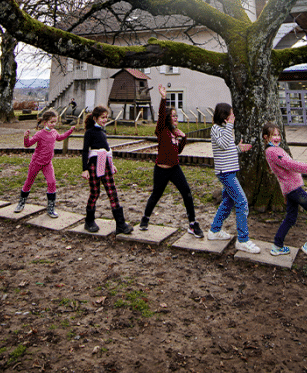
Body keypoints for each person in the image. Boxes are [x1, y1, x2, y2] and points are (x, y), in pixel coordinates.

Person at [139, 85, 203, 238]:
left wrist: (183, 138)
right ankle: (145, 218)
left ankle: (192, 224)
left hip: (175, 168)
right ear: (168, 118)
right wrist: (163, 98)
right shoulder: (162, 130)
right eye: (173, 116)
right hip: (161, 169)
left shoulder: (175, 133)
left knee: (186, 193)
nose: (176, 118)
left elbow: (177, 152)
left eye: (176, 116)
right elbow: (161, 115)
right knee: (156, 195)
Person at [263, 123, 307, 263]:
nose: (277, 137)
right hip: (294, 189)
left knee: (291, 218)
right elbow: (291, 165)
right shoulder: (273, 152)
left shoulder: (275, 150)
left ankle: (277, 246)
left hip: (289, 189)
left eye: (278, 135)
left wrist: (284, 194)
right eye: (274, 135)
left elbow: (281, 174)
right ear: (266, 137)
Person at [206, 102, 259, 253]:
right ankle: (243, 240)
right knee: (242, 202)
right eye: (231, 113)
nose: (233, 116)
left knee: (228, 202)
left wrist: (238, 148)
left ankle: (214, 231)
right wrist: (230, 125)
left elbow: (226, 149)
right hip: (225, 173)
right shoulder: (216, 129)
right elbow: (222, 144)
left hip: (230, 171)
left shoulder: (224, 129)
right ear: (224, 115)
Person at [81, 105, 133, 234]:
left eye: (106, 117)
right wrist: (85, 169)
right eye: (102, 117)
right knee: (95, 192)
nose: (105, 120)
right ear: (95, 118)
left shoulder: (103, 132)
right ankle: (89, 221)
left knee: (112, 192)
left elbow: (107, 151)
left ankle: (120, 224)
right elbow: (84, 151)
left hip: (105, 164)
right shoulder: (89, 132)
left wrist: (112, 165)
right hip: (94, 164)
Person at [17, 110, 76, 217]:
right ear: (45, 122)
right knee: (29, 182)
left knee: (52, 182)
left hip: (47, 163)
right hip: (36, 162)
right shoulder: (40, 134)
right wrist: (26, 137)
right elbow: (28, 145)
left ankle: (51, 208)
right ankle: (21, 203)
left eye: (55, 122)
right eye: (51, 122)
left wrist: (70, 131)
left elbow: (60, 138)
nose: (53, 124)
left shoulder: (54, 132)